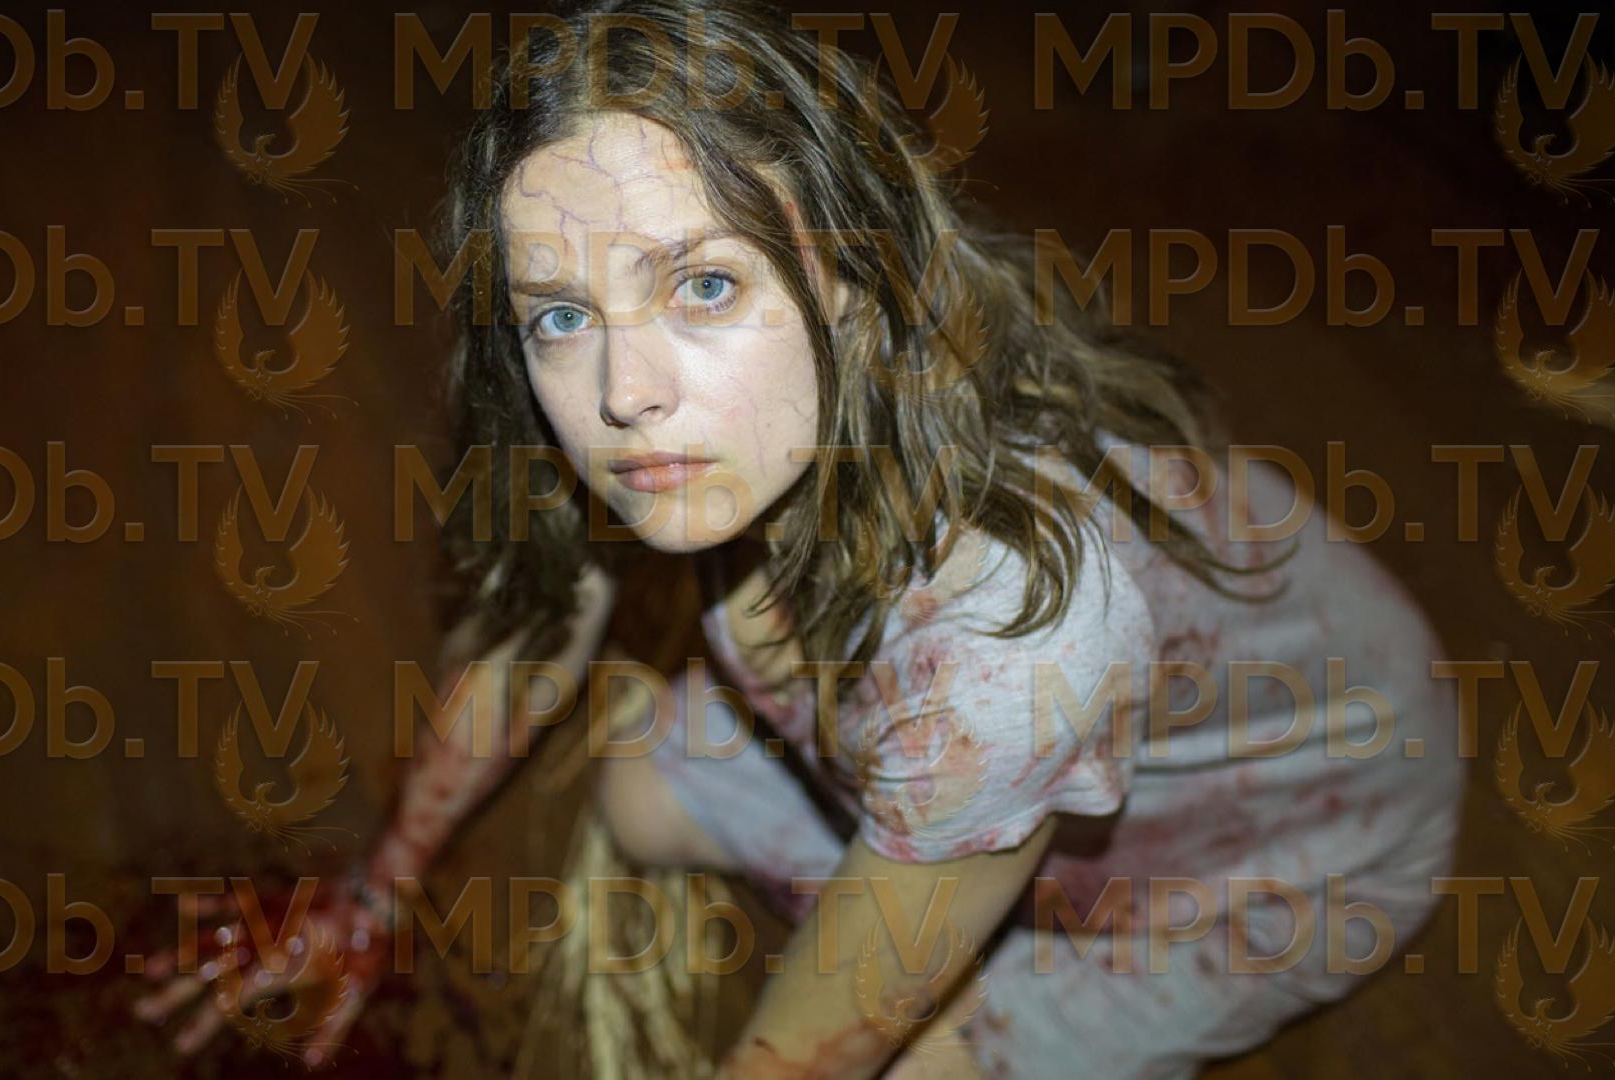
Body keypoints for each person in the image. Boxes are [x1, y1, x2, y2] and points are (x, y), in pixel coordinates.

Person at [137, 1, 1468, 1075]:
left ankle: (961, 871)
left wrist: (896, 950)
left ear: (858, 281)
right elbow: (531, 631)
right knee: (638, 801)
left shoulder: (1011, 646)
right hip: (974, 721)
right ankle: (947, 860)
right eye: (560, 315)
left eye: (705, 283)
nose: (620, 394)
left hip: (1280, 851)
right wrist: (377, 889)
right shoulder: (723, 428)